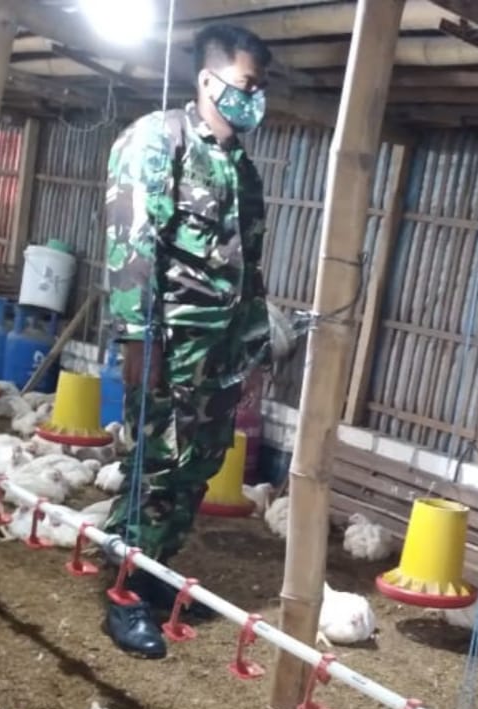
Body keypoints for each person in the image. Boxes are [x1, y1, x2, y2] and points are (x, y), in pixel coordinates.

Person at [101, 23, 286, 659]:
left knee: (199, 466)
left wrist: (254, 350)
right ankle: (124, 590)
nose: (254, 97)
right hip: (172, 342)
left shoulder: (242, 169)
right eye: (246, 84)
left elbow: (249, 269)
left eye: (260, 86)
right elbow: (132, 243)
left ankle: (154, 568)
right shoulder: (159, 139)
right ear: (208, 80)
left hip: (223, 350)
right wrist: (138, 339)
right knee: (157, 465)